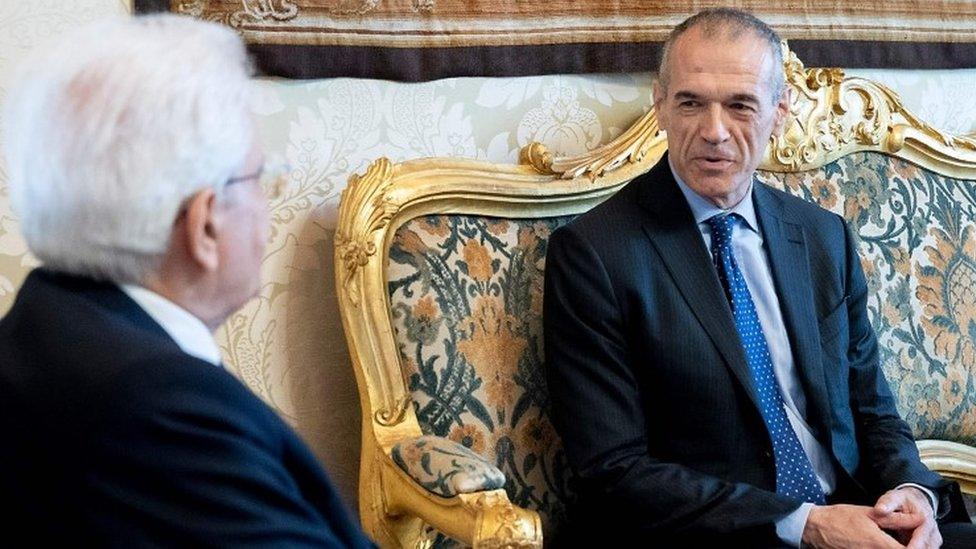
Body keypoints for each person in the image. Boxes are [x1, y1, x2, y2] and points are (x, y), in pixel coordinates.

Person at [544, 8, 976, 548]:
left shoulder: (823, 238)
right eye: (691, 103)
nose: (714, 132)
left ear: (780, 110)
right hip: (716, 533)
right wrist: (807, 524)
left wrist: (909, 490)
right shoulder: (594, 256)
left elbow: (872, 410)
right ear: (660, 106)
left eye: (741, 105)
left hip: (854, 512)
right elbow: (614, 468)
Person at [0, 15, 374, 548]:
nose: (268, 206)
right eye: (260, 178)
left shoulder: (47, 323)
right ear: (204, 224)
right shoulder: (162, 411)